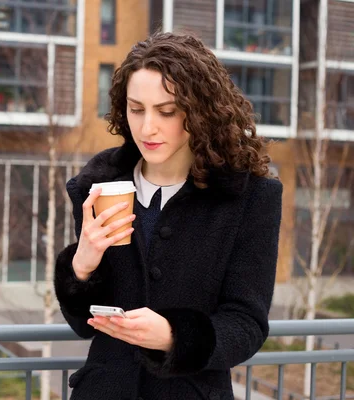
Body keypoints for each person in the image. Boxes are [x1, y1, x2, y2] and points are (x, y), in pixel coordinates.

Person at [54, 31, 283, 400]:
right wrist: (81, 267)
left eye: (167, 111)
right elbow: (83, 325)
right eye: (136, 108)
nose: (147, 128)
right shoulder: (98, 186)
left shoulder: (250, 198)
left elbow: (246, 323)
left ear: (201, 110)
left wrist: (173, 336)